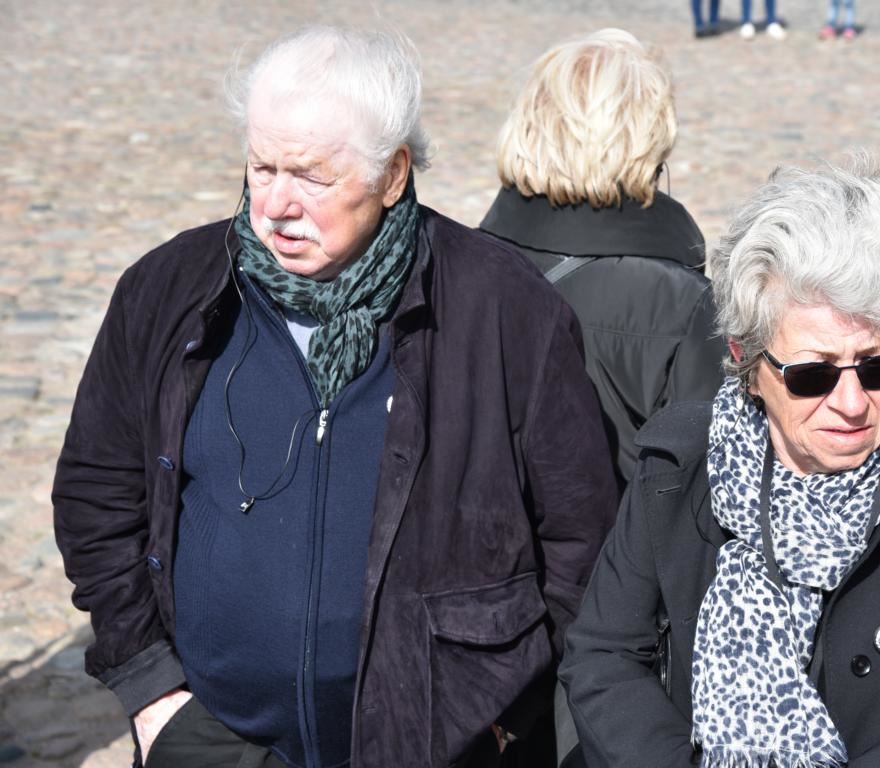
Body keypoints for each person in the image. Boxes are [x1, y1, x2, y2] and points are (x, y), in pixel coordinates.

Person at [52, 25, 618, 768]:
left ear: (393, 174)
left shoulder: (503, 304)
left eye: (312, 177)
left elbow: (582, 537)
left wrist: (506, 720)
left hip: (439, 745)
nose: (276, 205)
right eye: (262, 167)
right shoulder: (166, 290)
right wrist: (152, 692)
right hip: (212, 741)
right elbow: (97, 492)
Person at [559, 154, 880, 767]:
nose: (852, 403)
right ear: (747, 361)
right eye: (813, 373)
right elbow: (604, 657)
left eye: (878, 366)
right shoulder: (676, 473)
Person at [480, 28, 725, 492]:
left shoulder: (454, 265)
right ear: (650, 141)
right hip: (610, 538)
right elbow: (700, 493)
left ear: (529, 123)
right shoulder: (682, 304)